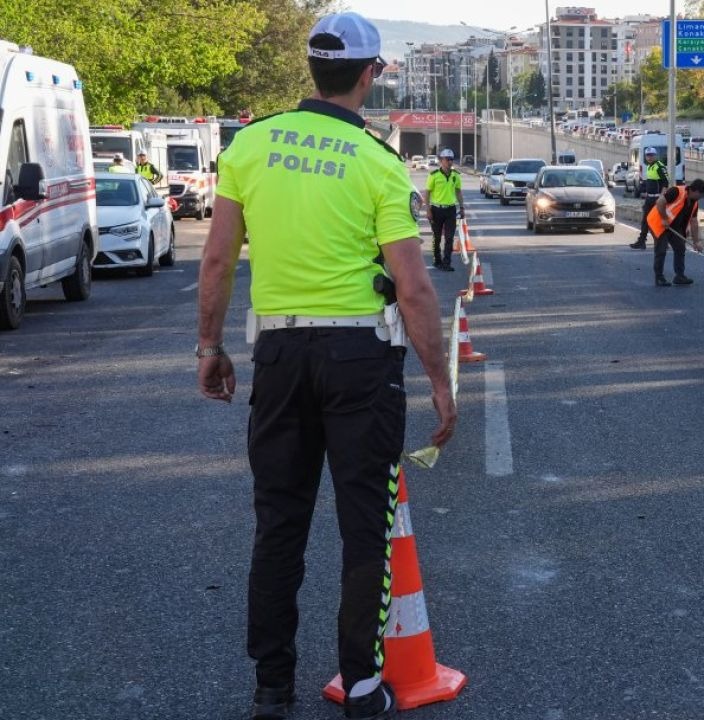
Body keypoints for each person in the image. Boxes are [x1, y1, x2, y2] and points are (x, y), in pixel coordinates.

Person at [195, 12, 457, 720]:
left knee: (279, 521)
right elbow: (413, 285)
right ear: (371, 75)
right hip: (360, 358)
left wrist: (209, 346)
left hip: (277, 351)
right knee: (364, 524)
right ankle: (363, 683)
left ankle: (271, 685)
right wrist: (439, 381)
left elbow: (217, 258)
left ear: (312, 68)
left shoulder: (250, 146)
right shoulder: (376, 162)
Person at [647, 178, 704, 286]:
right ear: (696, 191)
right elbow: (660, 202)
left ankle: (679, 276)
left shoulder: (694, 203)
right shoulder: (676, 191)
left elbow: (694, 222)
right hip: (658, 222)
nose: (702, 197)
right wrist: (664, 218)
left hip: (673, 226)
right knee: (661, 249)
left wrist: (696, 242)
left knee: (680, 247)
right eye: (702, 194)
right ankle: (659, 277)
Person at [425, 148, 464, 271]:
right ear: (441, 160)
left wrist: (462, 207)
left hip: (450, 210)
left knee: (449, 237)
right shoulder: (434, 175)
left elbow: (458, 192)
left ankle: (447, 262)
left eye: (451, 159)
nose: (449, 162)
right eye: (447, 159)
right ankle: (437, 260)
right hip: (436, 210)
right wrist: (428, 210)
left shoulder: (456, 176)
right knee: (436, 237)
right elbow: (427, 193)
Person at [629, 147, 668, 250]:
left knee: (658, 221)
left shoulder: (659, 166)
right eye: (648, 155)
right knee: (645, 221)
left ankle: (663, 243)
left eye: (651, 155)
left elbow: (665, 183)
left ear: (655, 156)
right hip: (649, 199)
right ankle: (641, 242)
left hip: (657, 199)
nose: (649, 157)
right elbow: (649, 182)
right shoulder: (649, 167)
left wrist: (661, 197)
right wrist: (642, 190)